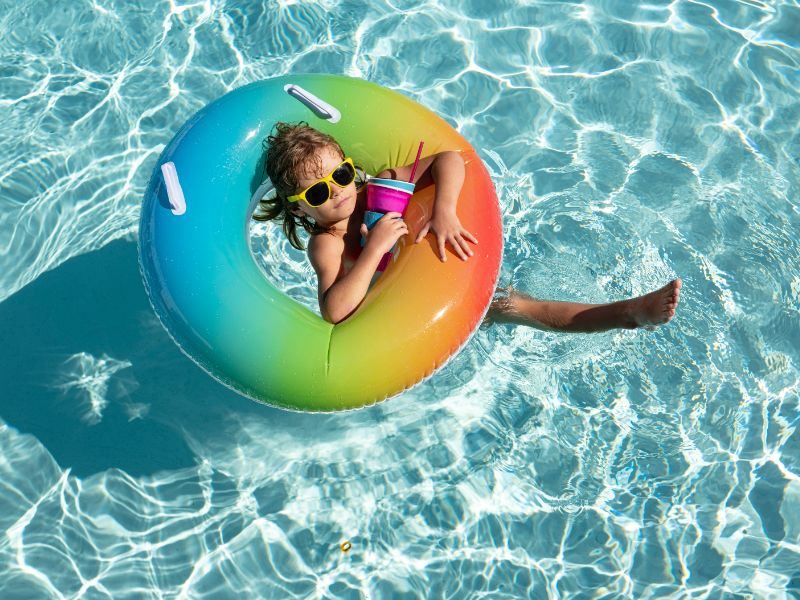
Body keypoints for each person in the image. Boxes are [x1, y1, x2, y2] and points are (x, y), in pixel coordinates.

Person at [253, 122, 681, 328]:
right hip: (403, 315)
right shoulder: (325, 244)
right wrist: (374, 251)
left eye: (341, 175)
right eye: (317, 194)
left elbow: (448, 159)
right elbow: (334, 310)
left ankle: (628, 312)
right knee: (516, 310)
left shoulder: (382, 184)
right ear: (298, 210)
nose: (338, 193)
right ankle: (625, 313)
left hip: (440, 275)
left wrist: (445, 210)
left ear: (350, 166)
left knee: (518, 305)